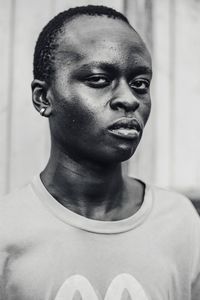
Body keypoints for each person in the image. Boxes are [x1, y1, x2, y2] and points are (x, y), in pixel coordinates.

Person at [0, 5, 200, 300]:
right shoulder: (7, 229)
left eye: (140, 84)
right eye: (98, 80)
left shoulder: (180, 222)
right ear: (43, 97)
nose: (129, 99)